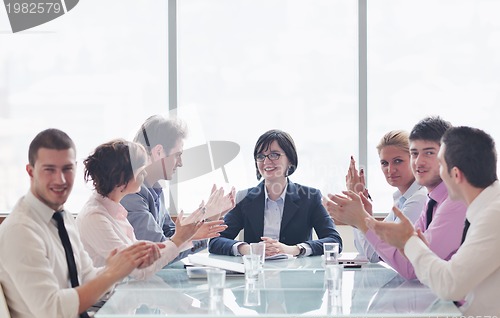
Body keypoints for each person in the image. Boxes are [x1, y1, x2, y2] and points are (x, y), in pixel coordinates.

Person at [0, 129, 160, 318]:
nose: (61, 180)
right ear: (31, 172)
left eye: (67, 169)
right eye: (49, 169)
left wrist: (120, 267)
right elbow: (53, 313)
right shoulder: (20, 230)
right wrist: (112, 273)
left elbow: (86, 277)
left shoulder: (63, 217)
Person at [366, 126, 500, 318]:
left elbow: (449, 285)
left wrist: (408, 242)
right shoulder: (484, 209)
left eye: (440, 165)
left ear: (455, 174)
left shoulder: (493, 216)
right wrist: (408, 243)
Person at [323, 116, 467, 279]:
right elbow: (398, 253)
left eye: (429, 153)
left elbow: (411, 267)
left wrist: (362, 219)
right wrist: (363, 217)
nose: (419, 162)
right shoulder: (430, 200)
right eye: (414, 153)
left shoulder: (453, 202)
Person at [77, 139, 223, 280]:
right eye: (141, 170)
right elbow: (138, 270)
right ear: (122, 177)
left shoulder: (116, 211)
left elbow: (145, 258)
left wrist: (185, 236)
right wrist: (179, 239)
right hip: (104, 303)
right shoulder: (95, 217)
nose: (145, 174)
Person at [209, 129, 342, 257]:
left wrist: (293, 249)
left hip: (296, 273)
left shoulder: (310, 197)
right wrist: (251, 249)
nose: (266, 161)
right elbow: (215, 241)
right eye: (260, 156)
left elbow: (334, 241)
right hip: (256, 273)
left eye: (274, 155)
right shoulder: (244, 198)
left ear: (290, 159)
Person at [120, 115, 234, 259]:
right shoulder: (131, 194)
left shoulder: (155, 189)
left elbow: (171, 234)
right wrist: (207, 218)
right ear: (158, 152)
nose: (180, 163)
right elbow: (160, 252)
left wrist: (208, 220)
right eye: (177, 155)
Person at [328, 130, 427, 262]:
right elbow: (366, 252)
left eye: (398, 161)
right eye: (384, 163)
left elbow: (377, 256)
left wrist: (360, 215)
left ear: (414, 160)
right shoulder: (401, 201)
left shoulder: (418, 200)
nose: (390, 170)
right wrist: (361, 210)